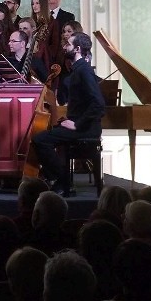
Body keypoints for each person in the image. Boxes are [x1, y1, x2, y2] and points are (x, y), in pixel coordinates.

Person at [31, 32, 105, 196]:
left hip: (86, 128)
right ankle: (61, 180)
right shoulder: (78, 70)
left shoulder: (84, 71)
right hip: (81, 125)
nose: (64, 47)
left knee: (40, 140)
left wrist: (77, 124)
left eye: (68, 45)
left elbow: (98, 104)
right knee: (43, 137)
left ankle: (62, 181)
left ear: (77, 49)